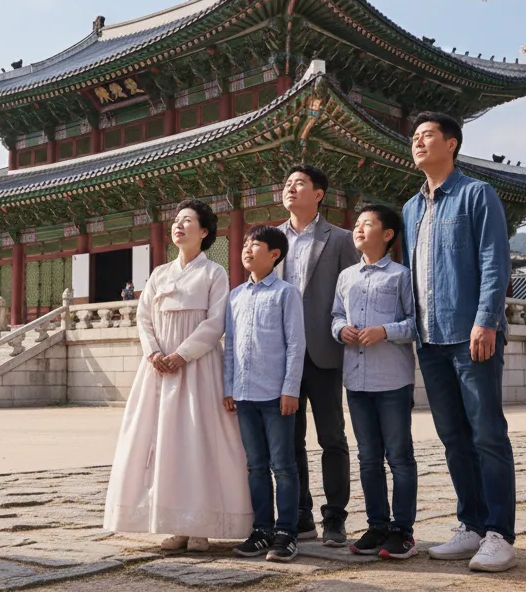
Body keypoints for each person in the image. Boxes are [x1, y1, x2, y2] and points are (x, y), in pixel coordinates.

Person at [402, 111, 517, 572]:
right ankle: (471, 524)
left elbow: (494, 260)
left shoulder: (476, 194)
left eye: (427, 135)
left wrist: (486, 320)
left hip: (471, 334)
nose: (418, 142)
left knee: (487, 433)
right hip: (429, 339)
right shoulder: (410, 209)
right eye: (414, 137)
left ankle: (499, 533)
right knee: (453, 437)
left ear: (451, 143)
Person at [104, 200, 252, 553]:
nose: (179, 226)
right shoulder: (159, 274)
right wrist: (154, 352)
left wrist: (182, 354)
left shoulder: (214, 273)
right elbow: (144, 318)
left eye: (188, 221)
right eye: (176, 221)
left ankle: (201, 525)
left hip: (198, 369)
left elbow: (215, 322)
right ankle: (174, 523)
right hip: (158, 371)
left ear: (204, 232)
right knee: (162, 443)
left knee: (198, 442)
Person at [331, 204, 418, 561]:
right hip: (356, 380)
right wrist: (341, 330)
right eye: (357, 224)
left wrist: (385, 331)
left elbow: (417, 323)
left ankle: (403, 532)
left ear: (388, 235)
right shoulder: (346, 276)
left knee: (399, 457)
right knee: (368, 458)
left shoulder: (401, 276)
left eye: (368, 224)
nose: (358, 229)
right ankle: (377, 525)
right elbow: (336, 315)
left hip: (393, 380)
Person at [278, 164, 359, 546]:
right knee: (290, 441)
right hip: (282, 357)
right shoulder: (270, 239)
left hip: (325, 353)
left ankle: (335, 518)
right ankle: (301, 516)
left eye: (299, 183)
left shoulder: (340, 239)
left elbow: (351, 293)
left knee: (332, 438)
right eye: (287, 184)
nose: (290, 189)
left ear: (319, 194)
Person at [224, 225, 306, 563]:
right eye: (245, 244)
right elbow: (230, 347)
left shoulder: (286, 293)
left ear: (274, 254)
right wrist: (229, 387)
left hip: (275, 395)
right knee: (255, 466)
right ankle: (261, 530)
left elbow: (296, 344)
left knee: (283, 465)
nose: (246, 249)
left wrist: (290, 389)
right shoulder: (235, 296)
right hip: (244, 395)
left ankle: (286, 532)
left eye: (254, 244)